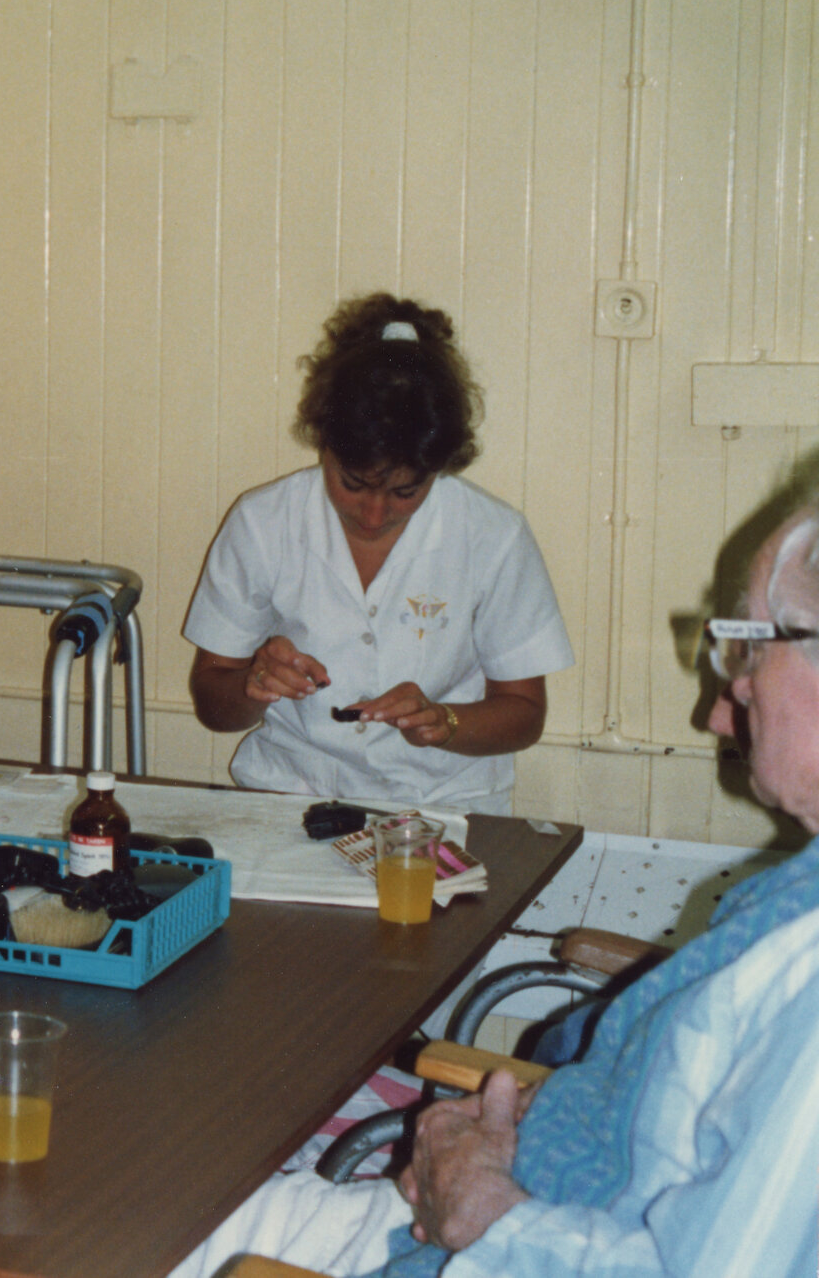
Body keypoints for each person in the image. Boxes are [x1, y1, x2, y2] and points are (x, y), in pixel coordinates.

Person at [167, 504, 819, 1278]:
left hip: (482, 1237)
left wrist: (483, 1207)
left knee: (141, 1229)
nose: (718, 709)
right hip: (520, 1186)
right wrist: (537, 1119)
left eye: (748, 652)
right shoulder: (794, 899)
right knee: (174, 1187)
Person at [183, 293, 573, 815]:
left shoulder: (494, 535)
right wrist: (254, 684)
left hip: (444, 805)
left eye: (405, 492)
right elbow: (213, 706)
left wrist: (446, 722)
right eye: (352, 484)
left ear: (440, 468)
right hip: (289, 795)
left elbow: (524, 714)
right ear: (323, 445)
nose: (373, 515)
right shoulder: (263, 521)